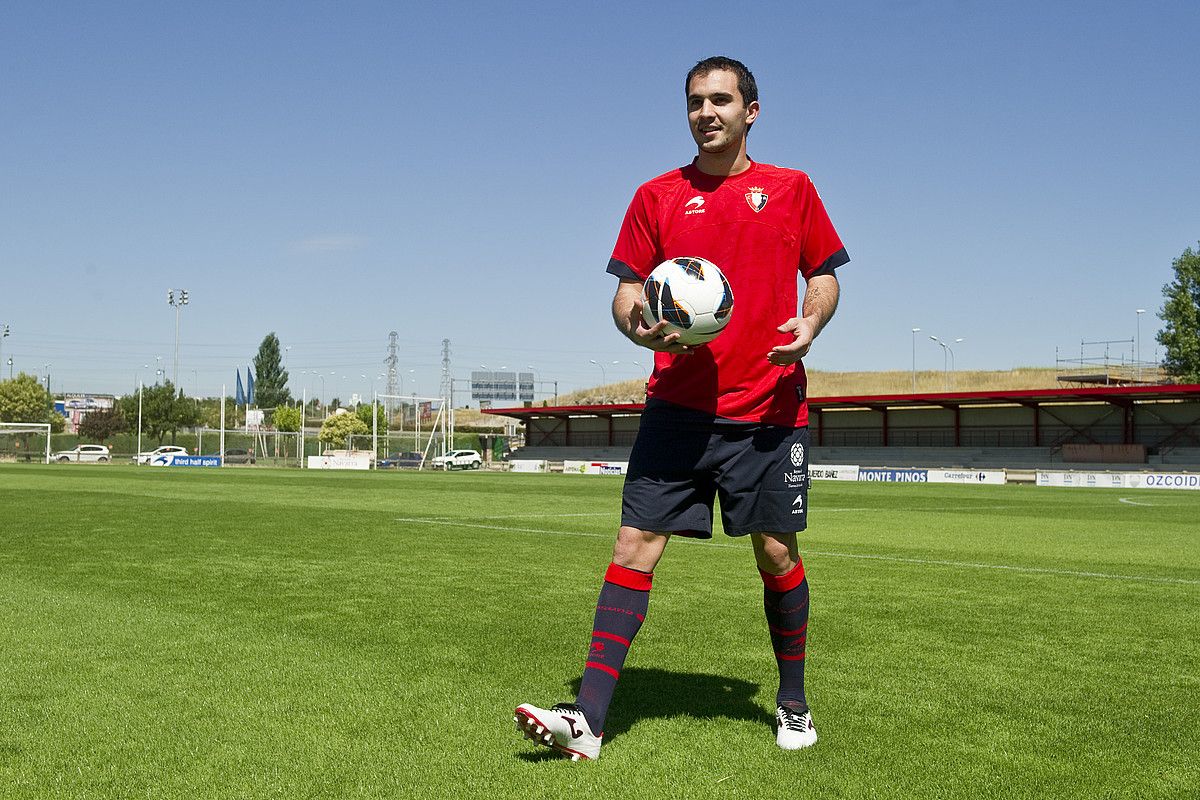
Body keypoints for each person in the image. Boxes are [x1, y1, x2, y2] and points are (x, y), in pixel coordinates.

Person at [515, 56, 848, 760]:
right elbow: (626, 293)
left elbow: (822, 273)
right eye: (696, 102)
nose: (707, 113)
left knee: (777, 549)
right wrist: (637, 326)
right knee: (633, 545)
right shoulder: (656, 197)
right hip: (677, 408)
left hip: (767, 410)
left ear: (751, 111)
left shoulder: (792, 190)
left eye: (721, 100)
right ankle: (590, 722)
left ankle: (791, 703)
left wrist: (810, 324)